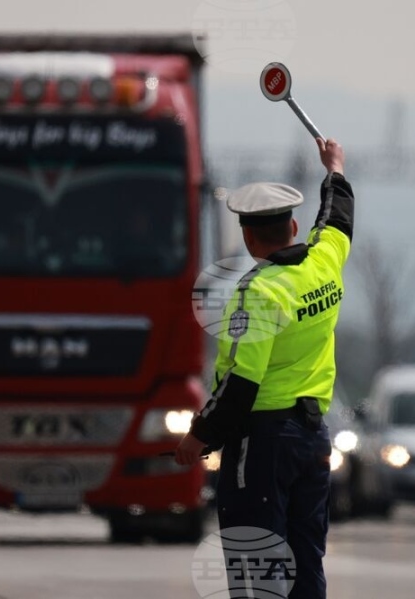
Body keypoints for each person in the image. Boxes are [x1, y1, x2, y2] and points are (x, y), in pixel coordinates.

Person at [176, 137, 353, 598]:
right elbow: (337, 218)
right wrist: (334, 168)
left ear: (248, 238)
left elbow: (241, 382)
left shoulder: (257, 293)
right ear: (293, 226)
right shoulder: (324, 263)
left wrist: (199, 435)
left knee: (257, 563)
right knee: (306, 560)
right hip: (313, 438)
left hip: (263, 444)